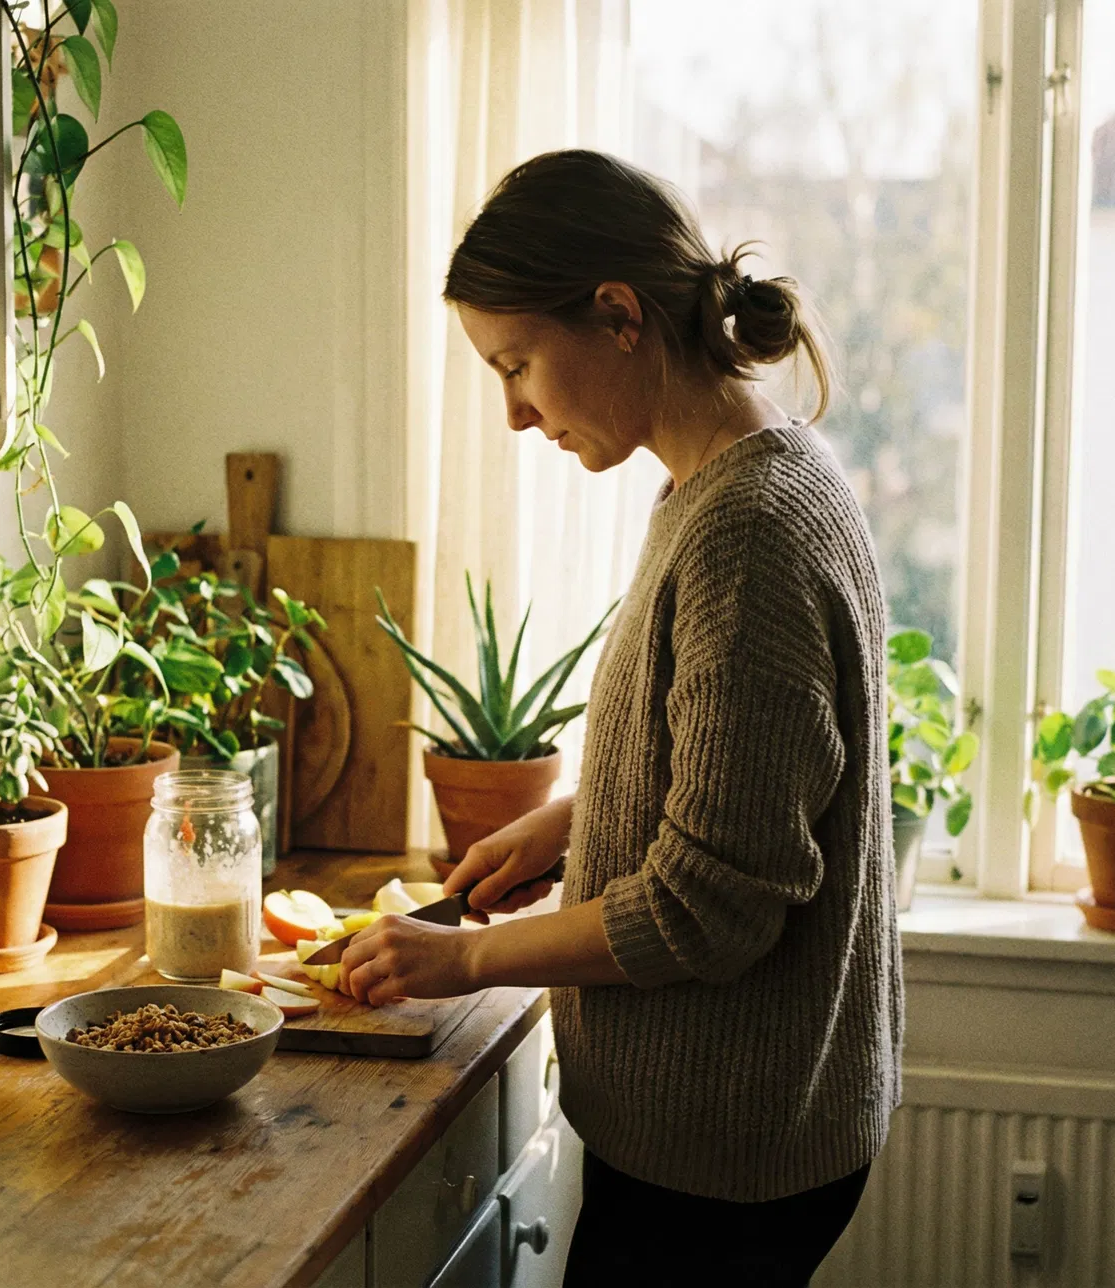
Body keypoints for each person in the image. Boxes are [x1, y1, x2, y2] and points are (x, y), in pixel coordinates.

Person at [336, 149, 901, 1286]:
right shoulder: (724, 485)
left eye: (519, 365)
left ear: (617, 315)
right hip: (740, 1134)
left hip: (724, 1156)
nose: (511, 412)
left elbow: (710, 907)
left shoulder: (750, 532)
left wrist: (468, 959)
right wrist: (564, 825)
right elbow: (742, 770)